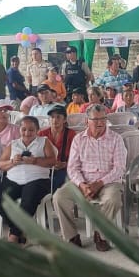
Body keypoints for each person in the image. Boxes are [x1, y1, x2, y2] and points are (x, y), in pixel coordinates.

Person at [51, 104, 127, 251]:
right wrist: (82, 185)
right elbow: (72, 168)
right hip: (83, 182)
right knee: (59, 197)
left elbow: (119, 168)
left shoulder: (116, 139)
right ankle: (72, 237)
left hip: (108, 182)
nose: (100, 123)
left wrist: (99, 183)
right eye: (95, 119)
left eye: (103, 119)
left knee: (114, 200)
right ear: (87, 121)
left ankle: (101, 234)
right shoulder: (79, 139)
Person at [0, 116, 56, 243]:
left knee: (28, 200)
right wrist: (12, 162)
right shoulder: (13, 144)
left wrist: (35, 161)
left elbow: (52, 161)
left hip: (37, 179)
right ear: (19, 130)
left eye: (31, 130)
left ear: (37, 130)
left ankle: (14, 235)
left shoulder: (44, 141)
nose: (27, 133)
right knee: (0, 200)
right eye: (24, 129)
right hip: (13, 179)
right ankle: (19, 231)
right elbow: (0, 165)